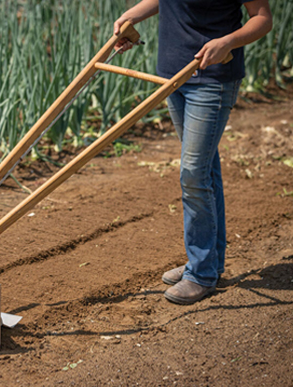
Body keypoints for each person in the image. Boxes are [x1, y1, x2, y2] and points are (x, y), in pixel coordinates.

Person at [113, 0, 272, 305]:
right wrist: (131, 16)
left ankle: (201, 273)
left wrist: (228, 41)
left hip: (211, 79)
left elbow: (262, 18)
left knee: (193, 174)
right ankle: (208, 263)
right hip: (173, 75)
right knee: (205, 169)